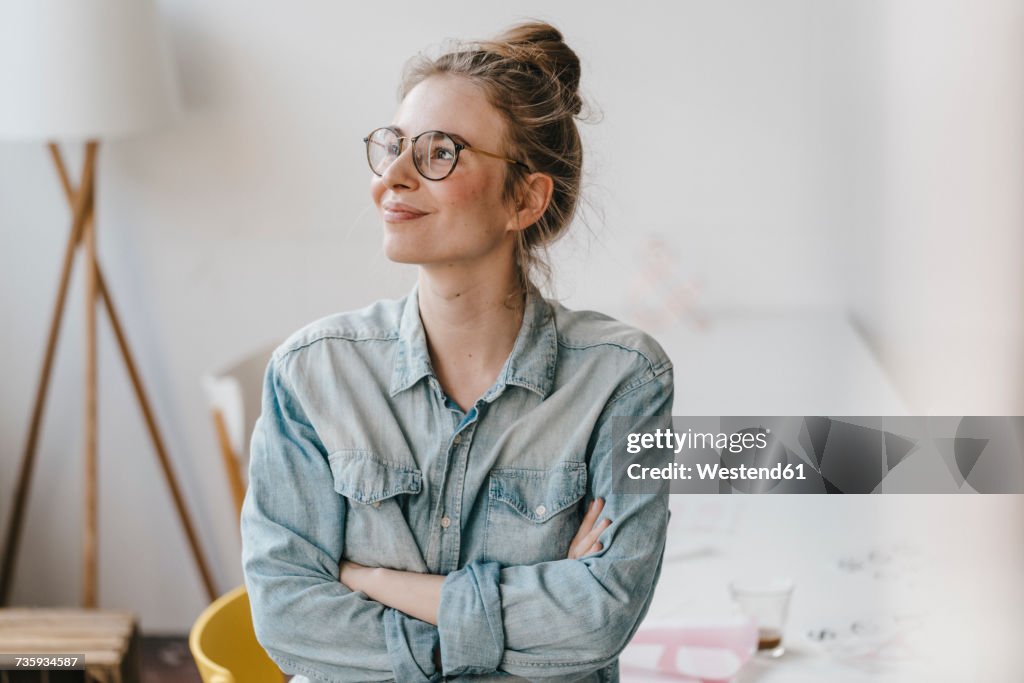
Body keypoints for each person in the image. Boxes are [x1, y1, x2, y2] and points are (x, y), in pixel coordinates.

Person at [241, 21, 674, 683]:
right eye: (393, 146)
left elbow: (599, 621)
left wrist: (369, 578)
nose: (394, 176)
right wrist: (533, 607)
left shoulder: (626, 378)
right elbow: (287, 619)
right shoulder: (312, 372)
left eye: (439, 152)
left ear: (525, 198)